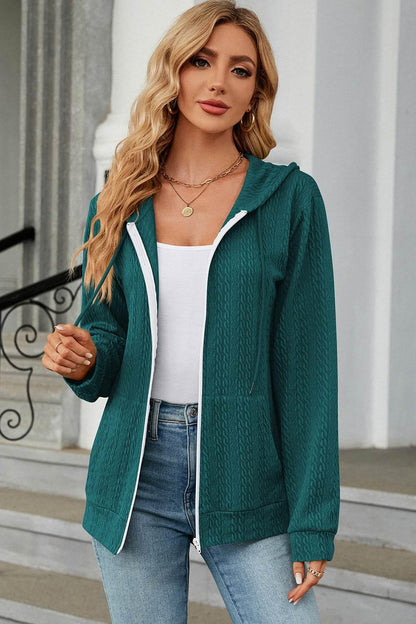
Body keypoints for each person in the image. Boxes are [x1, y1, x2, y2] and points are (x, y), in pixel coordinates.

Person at [41, 1, 340, 622]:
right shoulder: (117, 203)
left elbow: (309, 372)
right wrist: (86, 359)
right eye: (201, 62)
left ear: (256, 92)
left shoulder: (290, 200)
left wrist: (313, 519)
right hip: (136, 473)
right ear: (173, 73)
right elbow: (106, 335)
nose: (218, 82)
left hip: (246, 468)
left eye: (240, 69)